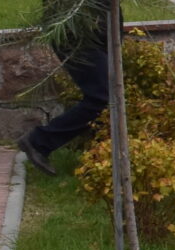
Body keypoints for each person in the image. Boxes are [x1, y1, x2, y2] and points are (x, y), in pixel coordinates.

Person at [19, 31, 111, 176]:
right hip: (81, 36)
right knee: (101, 98)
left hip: (94, 35)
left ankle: (100, 161)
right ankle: (39, 142)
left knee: (106, 97)